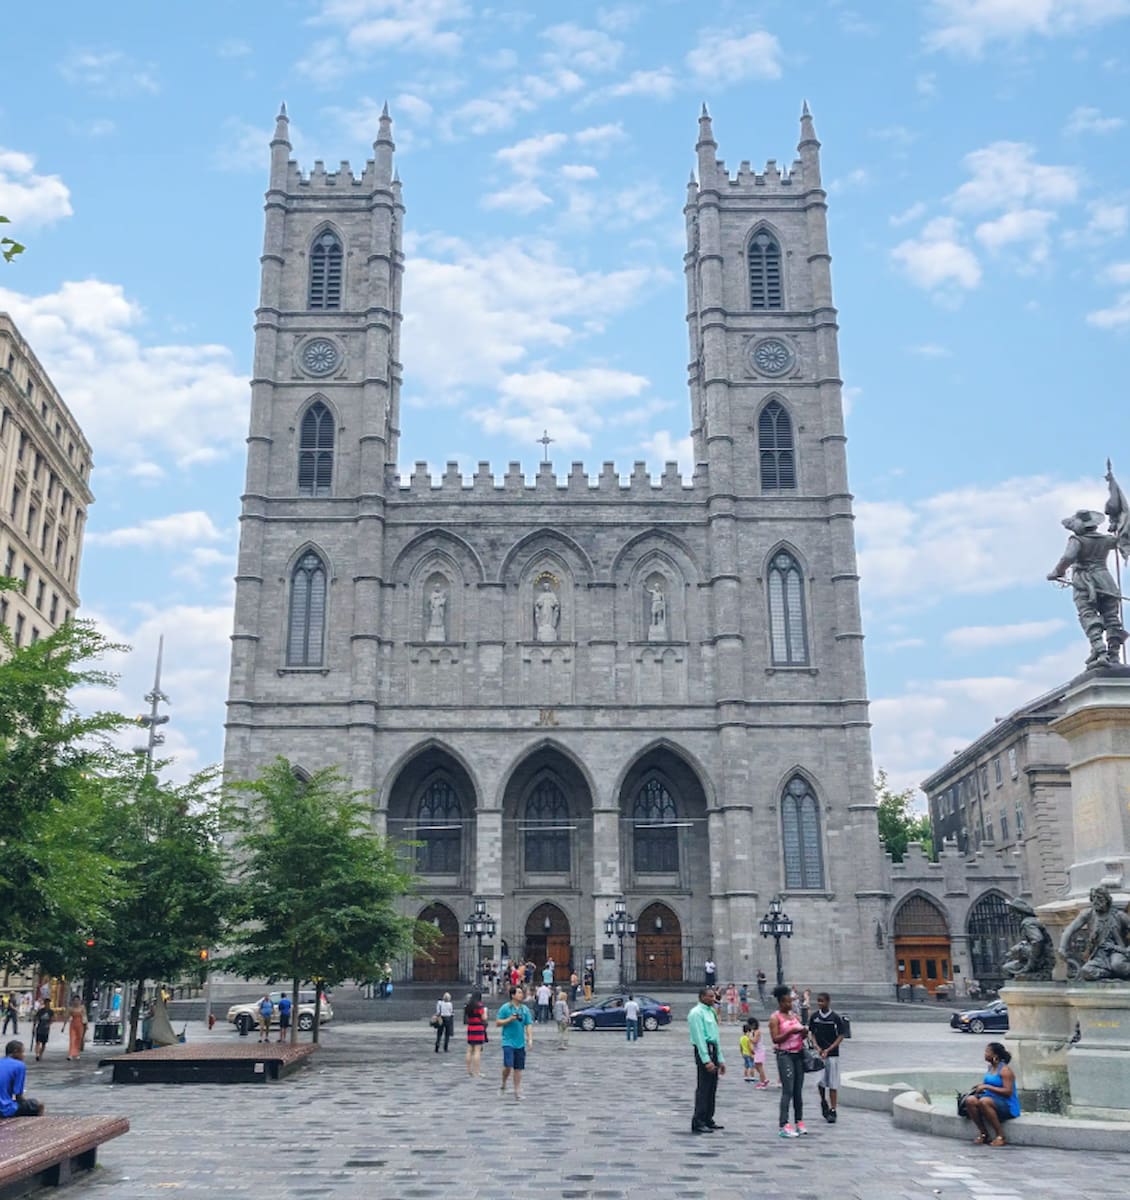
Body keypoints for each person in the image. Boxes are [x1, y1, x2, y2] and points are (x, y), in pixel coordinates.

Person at [769, 983, 807, 1138]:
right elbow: (775, 1039)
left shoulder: (794, 1016)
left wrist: (803, 1032)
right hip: (785, 1055)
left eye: (790, 1001)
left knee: (798, 1090)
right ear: (779, 1002)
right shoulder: (775, 1018)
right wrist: (791, 1031)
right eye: (786, 1002)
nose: (789, 1004)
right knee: (788, 1090)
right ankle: (783, 1124)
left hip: (798, 1054)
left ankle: (799, 1121)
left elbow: (802, 1036)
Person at [967, 1042, 1020, 1146]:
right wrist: (980, 1087)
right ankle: (984, 1133)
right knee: (970, 1100)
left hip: (1006, 1105)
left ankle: (1001, 1136)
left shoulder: (1005, 1070)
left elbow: (1008, 1092)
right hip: (990, 1100)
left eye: (987, 1052)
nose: (985, 1054)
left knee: (984, 1101)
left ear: (995, 1055)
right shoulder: (990, 1068)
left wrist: (987, 1087)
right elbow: (990, 1083)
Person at [688, 986, 725, 1134]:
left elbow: (716, 1037)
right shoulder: (696, 1013)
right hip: (704, 1050)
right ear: (701, 997)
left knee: (712, 1087)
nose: (713, 999)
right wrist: (706, 1060)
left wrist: (720, 1059)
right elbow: (699, 1038)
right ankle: (698, 1120)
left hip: (713, 1049)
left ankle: (709, 1118)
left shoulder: (711, 1012)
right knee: (703, 1087)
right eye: (709, 996)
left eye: (713, 996)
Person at [810, 992, 847, 1123]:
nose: (820, 1004)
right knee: (820, 1081)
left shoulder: (835, 1018)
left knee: (832, 1082)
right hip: (819, 1053)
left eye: (822, 1001)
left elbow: (841, 1035)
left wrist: (829, 1049)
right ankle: (823, 1101)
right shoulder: (814, 1017)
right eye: (818, 1001)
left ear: (828, 1002)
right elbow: (812, 1033)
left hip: (832, 1054)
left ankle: (833, 1108)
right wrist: (817, 1047)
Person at [496, 984, 532, 1101]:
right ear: (513, 995)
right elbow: (498, 1023)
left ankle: (517, 1091)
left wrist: (529, 1038)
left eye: (522, 993)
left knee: (518, 1068)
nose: (521, 995)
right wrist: (509, 1019)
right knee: (508, 1065)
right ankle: (504, 1082)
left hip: (520, 1042)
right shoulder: (505, 1008)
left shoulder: (525, 1009)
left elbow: (528, 1024)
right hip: (508, 1041)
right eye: (519, 992)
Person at [0, 1042, 43, 1118]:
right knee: (39, 1105)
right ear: (16, 1052)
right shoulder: (19, 1065)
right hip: (5, 1109)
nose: (24, 1056)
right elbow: (18, 1096)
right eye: (22, 1052)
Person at [464, 992, 487, 1076]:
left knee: (469, 1049)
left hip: (470, 1027)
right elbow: (484, 1017)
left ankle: (468, 1070)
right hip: (478, 1027)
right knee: (477, 1050)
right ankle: (477, 1071)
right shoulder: (480, 1006)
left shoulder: (468, 1005)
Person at [63, 996, 87, 1061]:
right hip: (73, 1025)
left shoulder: (82, 1007)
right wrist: (63, 1026)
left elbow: (84, 1016)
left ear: (79, 1001)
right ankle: (70, 1054)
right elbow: (67, 1017)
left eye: (77, 1000)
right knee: (72, 1040)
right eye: (75, 1000)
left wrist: (86, 1025)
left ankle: (77, 1054)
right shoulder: (71, 1008)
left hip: (80, 1025)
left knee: (78, 1039)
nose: (76, 1002)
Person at [749, 1017, 769, 1087]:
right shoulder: (753, 1031)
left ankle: (763, 1081)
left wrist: (749, 1038)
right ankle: (764, 1079)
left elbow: (755, 1041)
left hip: (760, 1050)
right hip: (756, 1050)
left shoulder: (757, 1032)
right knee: (756, 1066)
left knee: (759, 1066)